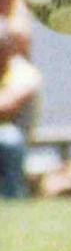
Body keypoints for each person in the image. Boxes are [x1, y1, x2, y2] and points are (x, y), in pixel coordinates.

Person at [0, 27, 41, 200]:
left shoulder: (23, 72)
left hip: (15, 140)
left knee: (9, 138)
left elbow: (6, 107)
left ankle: (12, 196)